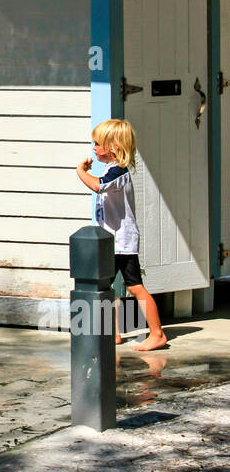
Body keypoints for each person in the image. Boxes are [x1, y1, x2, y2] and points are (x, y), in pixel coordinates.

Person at [76, 118, 168, 352]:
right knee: (107, 287)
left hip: (122, 242)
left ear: (114, 146)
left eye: (98, 144)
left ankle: (157, 333)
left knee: (135, 286)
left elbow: (98, 186)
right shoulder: (111, 170)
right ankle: (113, 333)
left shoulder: (118, 172)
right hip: (112, 242)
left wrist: (80, 172)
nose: (94, 148)